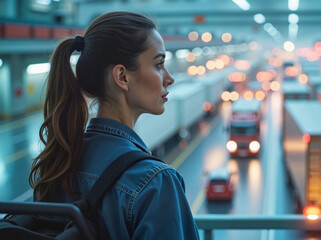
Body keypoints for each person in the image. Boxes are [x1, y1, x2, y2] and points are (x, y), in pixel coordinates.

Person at [29, 11, 200, 240]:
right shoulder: (155, 183)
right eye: (159, 64)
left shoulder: (57, 166)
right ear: (122, 77)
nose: (169, 78)